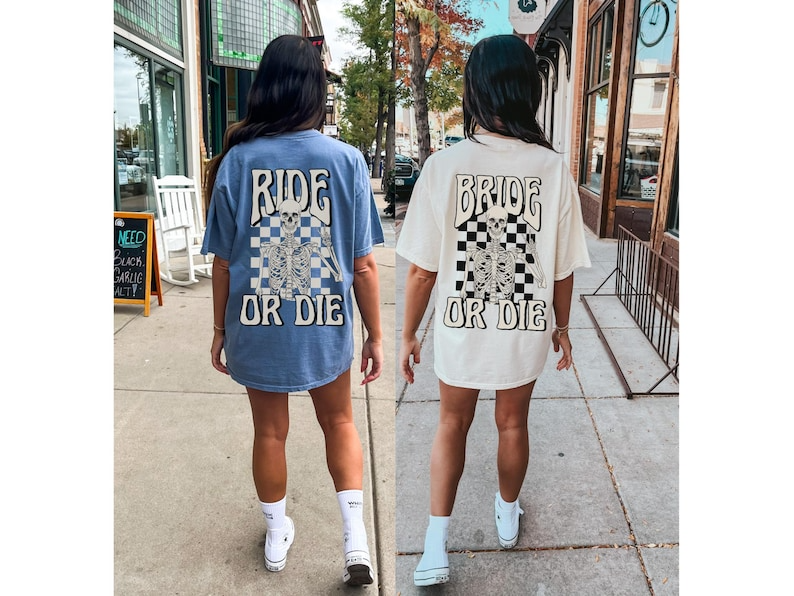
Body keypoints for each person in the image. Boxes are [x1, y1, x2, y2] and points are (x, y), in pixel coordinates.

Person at [396, 34, 592, 587]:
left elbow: (422, 270)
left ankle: (435, 545)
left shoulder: (444, 166)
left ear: (476, 91)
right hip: (523, 322)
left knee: (450, 423)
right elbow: (561, 266)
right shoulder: (553, 171)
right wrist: (562, 326)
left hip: (462, 323)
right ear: (528, 90)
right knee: (513, 423)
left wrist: (408, 334)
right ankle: (507, 517)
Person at [201, 35, 384, 586]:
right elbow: (365, 265)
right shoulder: (346, 160)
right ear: (314, 90)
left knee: (270, 433)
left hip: (257, 319)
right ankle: (356, 541)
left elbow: (224, 265)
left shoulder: (236, 162)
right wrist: (375, 333)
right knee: (340, 421)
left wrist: (218, 331)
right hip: (324, 320)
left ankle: (277, 536)